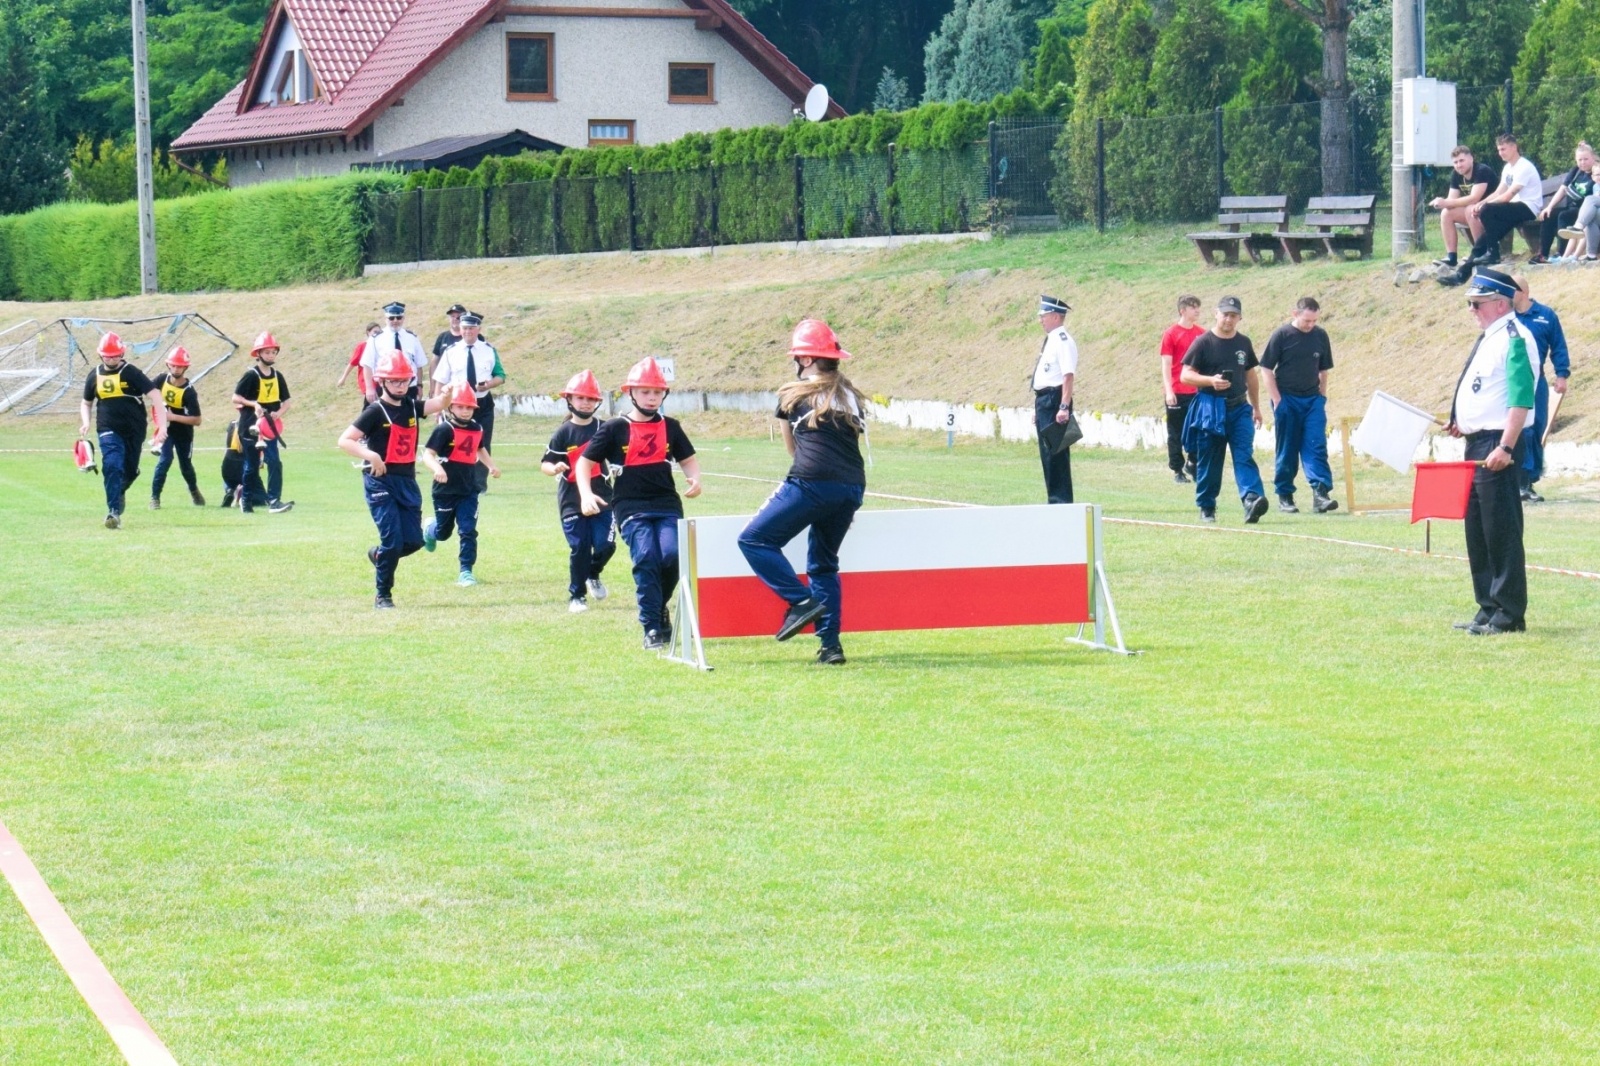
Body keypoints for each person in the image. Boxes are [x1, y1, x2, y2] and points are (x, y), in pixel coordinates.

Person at [735, 321, 866, 666]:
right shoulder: (850, 394)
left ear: (807, 359)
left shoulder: (793, 393)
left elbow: (793, 450)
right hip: (852, 486)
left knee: (753, 541)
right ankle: (831, 647)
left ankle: (800, 601)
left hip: (811, 480)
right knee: (824, 565)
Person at [576, 356, 703, 651]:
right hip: (629, 506)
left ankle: (659, 607)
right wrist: (585, 494)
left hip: (667, 504)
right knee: (646, 557)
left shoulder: (671, 426)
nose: (652, 397)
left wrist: (694, 479)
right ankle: (651, 627)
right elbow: (584, 463)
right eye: (645, 391)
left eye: (657, 392)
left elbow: (688, 459)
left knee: (672, 556)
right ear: (630, 392)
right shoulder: (613, 428)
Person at [1444, 268, 1537, 635]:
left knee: (1500, 529)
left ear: (1500, 304)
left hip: (1497, 442)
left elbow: (1520, 399)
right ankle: (1488, 605)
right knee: (1478, 530)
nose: (1472, 309)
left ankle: (1509, 613)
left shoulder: (1515, 337)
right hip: (1477, 442)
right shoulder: (1491, 335)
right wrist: (1460, 421)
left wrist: (1505, 445)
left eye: (1477, 303)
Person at [338, 352, 450, 608]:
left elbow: (438, 404)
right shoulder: (375, 411)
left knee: (413, 541)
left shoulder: (412, 405)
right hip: (380, 481)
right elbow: (345, 440)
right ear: (382, 382)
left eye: (404, 380)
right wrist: (370, 455)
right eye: (394, 381)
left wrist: (446, 396)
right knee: (392, 539)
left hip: (407, 481)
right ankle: (383, 595)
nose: (400, 385)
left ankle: (379, 556)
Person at [1179, 296, 1268, 525]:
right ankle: (1207, 505)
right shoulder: (1203, 342)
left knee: (1244, 454)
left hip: (1239, 408)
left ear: (1240, 317)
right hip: (1211, 407)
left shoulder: (1243, 343)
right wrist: (1210, 381)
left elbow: (1251, 376)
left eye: (1233, 315)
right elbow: (1186, 375)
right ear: (1216, 313)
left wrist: (1256, 407)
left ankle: (1251, 499)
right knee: (1211, 458)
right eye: (1225, 314)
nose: (1229, 319)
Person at [541, 370, 616, 614]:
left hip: (603, 496)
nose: (585, 402)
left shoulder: (605, 429)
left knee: (606, 545)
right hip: (572, 500)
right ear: (569, 400)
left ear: (597, 403)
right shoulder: (563, 433)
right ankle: (577, 596)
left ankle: (593, 573)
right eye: (580, 398)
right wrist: (555, 468)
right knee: (580, 547)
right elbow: (545, 463)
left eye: (590, 399)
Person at [78, 332, 168, 529]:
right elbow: (86, 403)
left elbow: (156, 397)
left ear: (122, 354)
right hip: (107, 428)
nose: (111, 359)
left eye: (116, 355)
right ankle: (113, 512)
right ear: (100, 355)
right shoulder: (94, 375)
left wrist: (162, 426)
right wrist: (86, 422)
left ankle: (120, 491)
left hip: (134, 430)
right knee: (112, 465)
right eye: (107, 356)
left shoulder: (131, 373)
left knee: (129, 470)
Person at [1259, 297, 1338, 515]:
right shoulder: (1282, 335)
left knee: (1316, 446)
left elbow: (1324, 370)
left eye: (1314, 321)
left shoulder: (1320, 336)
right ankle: (1285, 496)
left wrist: (1322, 397)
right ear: (1295, 314)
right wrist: (1277, 400)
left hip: (1312, 401)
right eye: (1306, 320)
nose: (1310, 325)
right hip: (1287, 400)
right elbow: (1266, 368)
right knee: (1288, 449)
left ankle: (1320, 494)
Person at [422, 382, 500, 586]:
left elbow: (480, 449)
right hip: (445, 492)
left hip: (468, 490)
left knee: (468, 530)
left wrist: (491, 466)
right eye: (460, 406)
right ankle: (430, 529)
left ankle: (466, 571)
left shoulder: (477, 428)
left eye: (469, 407)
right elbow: (427, 455)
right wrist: (437, 469)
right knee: (443, 533)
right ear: (450, 407)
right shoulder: (444, 430)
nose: (465, 411)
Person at [1441, 134, 1542, 284]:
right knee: (1483, 240)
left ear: (1514, 147)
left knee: (1487, 210)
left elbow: (1508, 196)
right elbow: (1498, 192)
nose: (1500, 153)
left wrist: (1483, 205)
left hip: (1527, 207)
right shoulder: (1508, 168)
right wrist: (1482, 203)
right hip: (1513, 209)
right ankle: (1461, 275)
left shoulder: (1524, 166)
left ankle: (1493, 252)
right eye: (1499, 150)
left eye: (1503, 149)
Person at [1510, 275, 1572, 503]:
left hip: (1537, 383)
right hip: (1512, 383)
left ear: (1523, 292)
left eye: (1512, 291)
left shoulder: (1546, 316)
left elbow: (1558, 346)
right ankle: (1519, 481)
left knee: (1536, 430)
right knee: (1520, 430)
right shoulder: (1506, 318)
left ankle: (1529, 481)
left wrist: (1562, 374)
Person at [432, 311, 505, 493]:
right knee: (455, 442)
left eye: (472, 328)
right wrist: (437, 406)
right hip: (458, 405)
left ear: (478, 329)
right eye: (465, 328)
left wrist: (489, 384)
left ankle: (479, 485)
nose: (468, 331)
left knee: (482, 443)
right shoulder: (451, 352)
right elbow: (440, 380)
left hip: (482, 403)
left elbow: (500, 375)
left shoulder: (489, 350)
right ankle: (454, 480)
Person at [231, 331, 294, 514]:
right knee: (252, 465)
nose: (271, 355)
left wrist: (278, 413)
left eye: (273, 352)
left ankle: (274, 501)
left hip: (269, 427)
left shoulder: (278, 376)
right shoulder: (250, 375)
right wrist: (254, 404)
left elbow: (287, 401)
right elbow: (235, 397)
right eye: (267, 352)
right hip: (250, 426)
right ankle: (246, 500)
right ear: (258, 354)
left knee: (274, 461)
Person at [1031, 294, 1078, 504]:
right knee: (1047, 456)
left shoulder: (1063, 341)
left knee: (1055, 455)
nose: (1041, 319)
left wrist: (1063, 406)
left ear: (1056, 317)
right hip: (1044, 400)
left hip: (1054, 400)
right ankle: (1054, 499)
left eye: (1045, 315)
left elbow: (1067, 377)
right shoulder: (1051, 339)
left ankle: (1060, 501)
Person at [148, 346, 205, 508]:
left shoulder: (189, 392)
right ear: (168, 365)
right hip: (165, 430)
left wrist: (173, 417)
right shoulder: (161, 380)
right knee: (164, 460)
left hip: (184, 433)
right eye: (173, 365)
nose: (176, 368)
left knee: (185, 465)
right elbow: (149, 392)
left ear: (185, 367)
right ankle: (154, 498)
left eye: (179, 366)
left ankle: (194, 490)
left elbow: (197, 420)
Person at [1159, 294, 1204, 484]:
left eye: (1198, 307)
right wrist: (1169, 390)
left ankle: (1193, 462)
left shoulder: (1201, 333)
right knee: (1175, 432)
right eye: (1193, 307)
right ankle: (1177, 469)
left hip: (1196, 391)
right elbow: (1166, 364)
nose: (1197, 311)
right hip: (1177, 391)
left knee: (1197, 430)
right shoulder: (1171, 334)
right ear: (1182, 310)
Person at [1428, 145, 1495, 269]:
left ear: (1471, 158)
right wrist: (1440, 202)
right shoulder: (1456, 174)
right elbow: (1451, 200)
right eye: (1455, 162)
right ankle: (1451, 257)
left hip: (1493, 211)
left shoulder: (1481, 170)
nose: (1459, 165)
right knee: (1446, 213)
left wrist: (1447, 202)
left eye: (1461, 161)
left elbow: (1474, 198)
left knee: (1471, 209)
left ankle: (1480, 252)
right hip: (1477, 212)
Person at [1532, 143, 1596, 263]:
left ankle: (1561, 253)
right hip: (1571, 207)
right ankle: (1543, 254)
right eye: (1580, 159)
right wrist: (1549, 207)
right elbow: (1562, 189)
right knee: (1549, 215)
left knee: (1564, 216)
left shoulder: (1596, 172)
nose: (1583, 162)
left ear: (1593, 158)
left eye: (1586, 159)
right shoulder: (1576, 171)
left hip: (1585, 211)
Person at [359, 302, 428, 402]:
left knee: (410, 417)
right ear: (386, 319)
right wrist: (369, 388)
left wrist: (419, 385)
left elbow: (418, 365)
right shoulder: (376, 339)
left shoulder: (411, 337)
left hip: (409, 388)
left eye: (399, 318)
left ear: (403, 319)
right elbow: (367, 365)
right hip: (385, 388)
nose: (395, 321)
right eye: (391, 318)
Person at [336, 323, 381, 411]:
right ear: (368, 332)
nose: (377, 334)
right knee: (372, 404)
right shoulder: (362, 346)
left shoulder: (380, 345)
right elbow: (352, 363)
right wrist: (343, 378)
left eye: (379, 332)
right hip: (368, 380)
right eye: (375, 331)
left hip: (379, 380)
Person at [219, 419, 245, 509]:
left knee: (228, 480)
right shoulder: (253, 424)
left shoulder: (232, 424)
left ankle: (229, 490)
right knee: (261, 497)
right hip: (244, 464)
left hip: (228, 462)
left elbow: (226, 446)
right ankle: (240, 494)